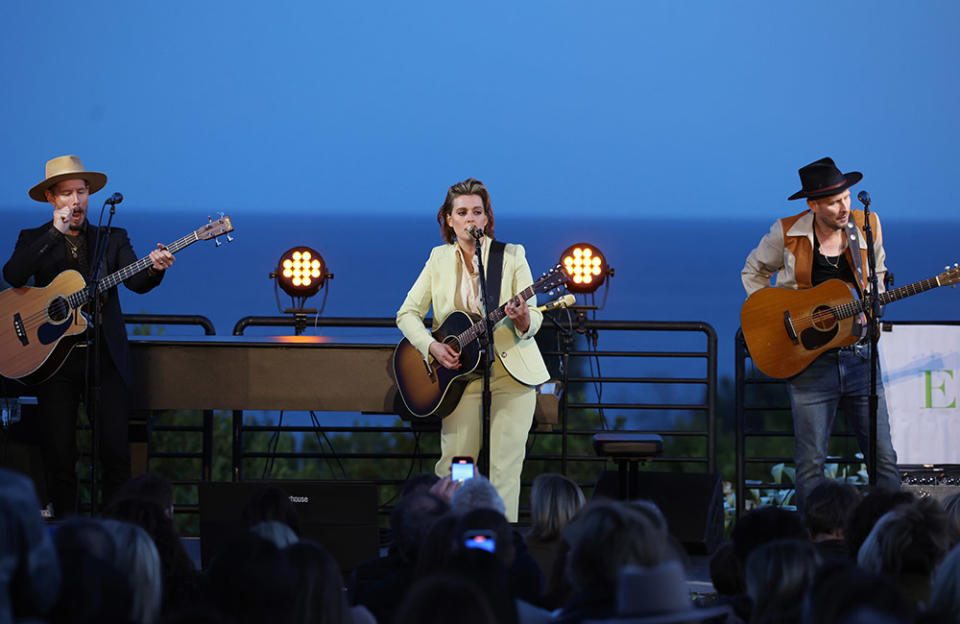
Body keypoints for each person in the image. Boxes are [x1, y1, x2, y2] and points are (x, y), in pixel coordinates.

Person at [3, 155, 175, 517]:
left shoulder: (112, 239)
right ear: (52, 198)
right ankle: (67, 528)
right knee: (59, 453)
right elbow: (14, 274)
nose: (76, 201)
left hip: (104, 358)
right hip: (53, 363)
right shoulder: (33, 238)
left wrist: (156, 269)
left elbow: (137, 281)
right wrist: (55, 233)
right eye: (66, 194)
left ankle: (116, 529)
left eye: (81, 192)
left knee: (114, 451)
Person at [741, 156, 900, 510]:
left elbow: (876, 276)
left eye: (846, 197)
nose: (844, 207)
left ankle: (891, 538)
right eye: (833, 202)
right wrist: (775, 315)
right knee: (811, 465)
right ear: (813, 205)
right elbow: (753, 271)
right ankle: (812, 544)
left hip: (859, 357)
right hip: (808, 362)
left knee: (884, 459)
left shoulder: (867, 225)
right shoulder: (786, 231)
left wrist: (871, 308)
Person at [396, 177, 549, 522]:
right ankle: (452, 536)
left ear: (486, 219)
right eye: (462, 212)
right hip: (460, 380)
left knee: (504, 469)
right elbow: (406, 314)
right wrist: (432, 346)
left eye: (477, 212)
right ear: (448, 220)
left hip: (511, 377)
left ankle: (502, 544)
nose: (470, 219)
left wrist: (523, 319)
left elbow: (534, 316)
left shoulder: (511, 256)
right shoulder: (438, 259)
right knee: (458, 466)